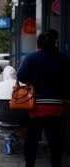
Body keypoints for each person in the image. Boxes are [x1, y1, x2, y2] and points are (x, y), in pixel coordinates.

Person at [17, 32, 70, 167]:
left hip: (36, 105)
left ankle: (30, 164)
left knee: (32, 138)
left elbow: (21, 76)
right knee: (55, 138)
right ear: (54, 43)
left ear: (38, 44)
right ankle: (57, 164)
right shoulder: (64, 58)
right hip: (57, 106)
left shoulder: (31, 58)